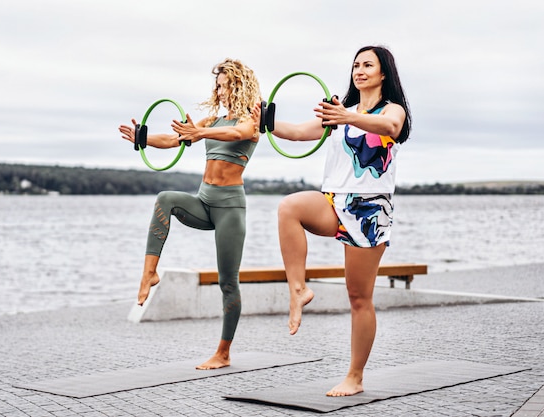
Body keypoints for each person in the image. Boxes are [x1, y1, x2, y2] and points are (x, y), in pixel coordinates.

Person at [273, 45, 411, 396]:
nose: (359, 70)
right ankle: (298, 289)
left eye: (368, 65)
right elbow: (298, 132)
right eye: (355, 65)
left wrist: (347, 117)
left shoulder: (390, 109)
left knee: (359, 298)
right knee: (289, 207)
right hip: (334, 200)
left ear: (383, 74)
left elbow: (390, 125)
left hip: (370, 210)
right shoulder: (340, 112)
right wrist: (264, 120)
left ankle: (355, 376)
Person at [118, 58, 262, 370]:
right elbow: (174, 139)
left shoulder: (252, 122)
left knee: (228, 281)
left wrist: (199, 134)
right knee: (165, 198)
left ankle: (223, 352)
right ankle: (149, 274)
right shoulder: (210, 122)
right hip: (203, 201)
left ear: (241, 86)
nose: (222, 92)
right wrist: (142, 138)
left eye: (228, 86)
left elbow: (239, 132)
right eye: (219, 86)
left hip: (229, 209)